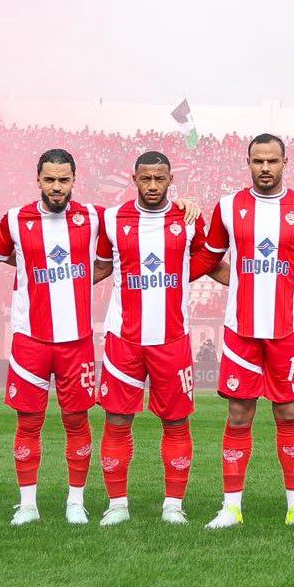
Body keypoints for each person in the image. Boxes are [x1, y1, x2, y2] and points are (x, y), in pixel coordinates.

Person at [201, 133, 294, 529]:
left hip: (288, 330)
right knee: (238, 413)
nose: (265, 168)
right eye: (258, 161)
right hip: (241, 330)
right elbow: (208, 258)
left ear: (284, 162)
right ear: (248, 162)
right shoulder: (228, 206)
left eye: (272, 161)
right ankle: (231, 508)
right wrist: (238, 283)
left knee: (289, 412)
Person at [0, 149, 121, 526]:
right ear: (38, 180)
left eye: (63, 180)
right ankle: (28, 504)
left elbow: (132, 229)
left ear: (74, 180)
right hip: (30, 340)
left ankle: (76, 502)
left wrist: (185, 205)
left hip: (77, 341)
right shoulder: (15, 219)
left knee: (77, 421)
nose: (56, 187)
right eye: (49, 180)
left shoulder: (95, 217)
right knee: (29, 422)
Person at [95, 151, 212, 526]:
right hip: (123, 339)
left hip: (172, 339)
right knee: (117, 420)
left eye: (159, 179)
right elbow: (99, 266)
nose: (152, 186)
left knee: (176, 422)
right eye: (145, 179)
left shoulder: (188, 219)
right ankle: (117, 505)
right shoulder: (112, 219)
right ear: (134, 179)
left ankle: (173, 504)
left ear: (171, 180)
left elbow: (209, 260)